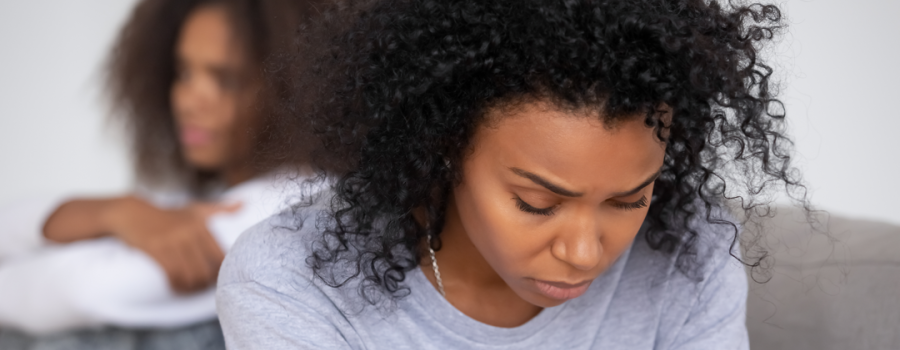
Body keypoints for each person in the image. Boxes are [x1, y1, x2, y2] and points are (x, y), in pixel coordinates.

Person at [217, 0, 807, 348]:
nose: (582, 253)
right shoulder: (292, 280)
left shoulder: (691, 254)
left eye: (629, 200)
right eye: (537, 202)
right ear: (442, 149)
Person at [0, 0, 321, 337]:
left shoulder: (287, 213)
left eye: (226, 80)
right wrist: (117, 212)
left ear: (292, 90)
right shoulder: (201, 203)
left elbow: (83, 291)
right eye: (183, 72)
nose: (187, 100)